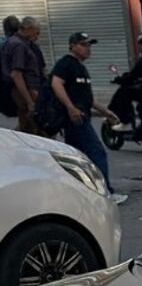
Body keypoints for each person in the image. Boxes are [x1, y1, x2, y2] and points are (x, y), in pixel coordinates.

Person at [50, 32, 126, 202]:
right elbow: (56, 84)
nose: (88, 48)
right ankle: (106, 192)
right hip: (75, 119)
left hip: (81, 117)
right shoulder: (66, 64)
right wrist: (70, 107)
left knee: (75, 158)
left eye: (89, 45)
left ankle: (78, 192)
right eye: (84, 45)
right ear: (72, 46)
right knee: (97, 152)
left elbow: (88, 98)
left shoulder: (81, 67)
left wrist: (106, 112)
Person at [2, 16, 45, 133]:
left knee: (29, 128)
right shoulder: (18, 45)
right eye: (37, 32)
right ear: (29, 28)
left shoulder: (22, 43)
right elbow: (16, 74)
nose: (37, 36)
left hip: (28, 92)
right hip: (27, 93)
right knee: (34, 131)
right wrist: (30, 101)